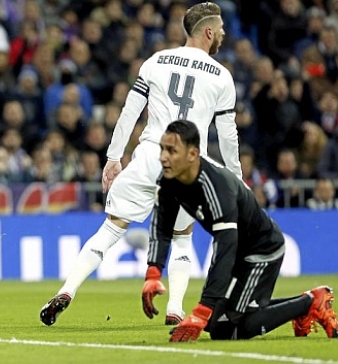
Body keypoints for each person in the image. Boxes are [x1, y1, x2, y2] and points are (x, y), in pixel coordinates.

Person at [40, 2, 241, 326]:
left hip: (151, 154)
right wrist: (235, 178)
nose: (223, 34)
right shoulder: (221, 75)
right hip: (189, 164)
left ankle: (67, 290)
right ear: (207, 31)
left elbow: (129, 112)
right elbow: (227, 134)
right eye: (219, 30)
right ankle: (175, 308)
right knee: (182, 237)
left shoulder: (156, 61)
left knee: (109, 230)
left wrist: (113, 157)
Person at [143, 120, 337, 341]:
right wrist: (153, 273)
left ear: (192, 154)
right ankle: (303, 305)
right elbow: (161, 225)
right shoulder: (169, 179)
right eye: (162, 148)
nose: (163, 157)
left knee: (229, 330)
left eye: (171, 150)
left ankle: (311, 302)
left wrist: (202, 310)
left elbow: (225, 246)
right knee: (216, 323)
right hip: (238, 251)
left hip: (261, 251)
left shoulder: (216, 186)